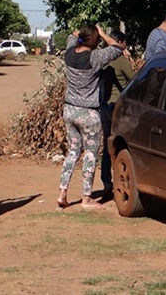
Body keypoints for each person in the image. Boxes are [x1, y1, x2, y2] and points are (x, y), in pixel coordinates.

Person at [57, 23, 122, 210]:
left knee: (72, 151)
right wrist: (102, 32)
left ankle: (62, 193)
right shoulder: (96, 57)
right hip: (88, 113)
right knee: (91, 154)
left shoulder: (69, 53)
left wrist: (85, 32)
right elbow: (117, 47)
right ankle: (86, 198)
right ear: (94, 40)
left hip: (69, 110)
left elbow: (72, 34)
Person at [98, 30, 135, 201]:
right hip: (117, 108)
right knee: (122, 147)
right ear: (121, 42)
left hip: (103, 107)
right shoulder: (120, 61)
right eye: (125, 44)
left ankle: (106, 183)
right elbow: (135, 81)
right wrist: (129, 60)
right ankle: (123, 183)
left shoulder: (102, 60)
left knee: (106, 147)